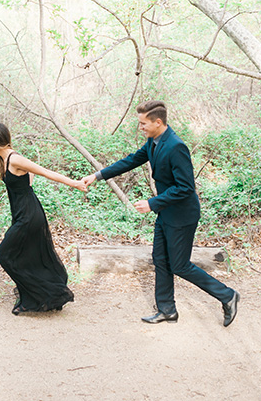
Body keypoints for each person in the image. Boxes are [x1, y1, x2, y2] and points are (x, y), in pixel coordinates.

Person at [82, 100, 240, 327]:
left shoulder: (176, 146)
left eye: (143, 123)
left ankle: (227, 295)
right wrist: (98, 176)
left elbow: (186, 188)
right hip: (166, 212)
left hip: (182, 215)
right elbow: (131, 160)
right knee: (161, 260)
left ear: (158, 122)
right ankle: (167, 310)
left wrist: (152, 202)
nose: (141, 128)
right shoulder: (153, 142)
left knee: (180, 265)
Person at [0, 122, 85, 315]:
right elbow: (28, 179)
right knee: (26, 254)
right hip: (22, 213)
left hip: (29, 216)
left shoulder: (15, 159)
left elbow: (45, 172)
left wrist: (75, 183)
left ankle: (38, 295)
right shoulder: (5, 161)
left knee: (4, 253)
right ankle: (36, 294)